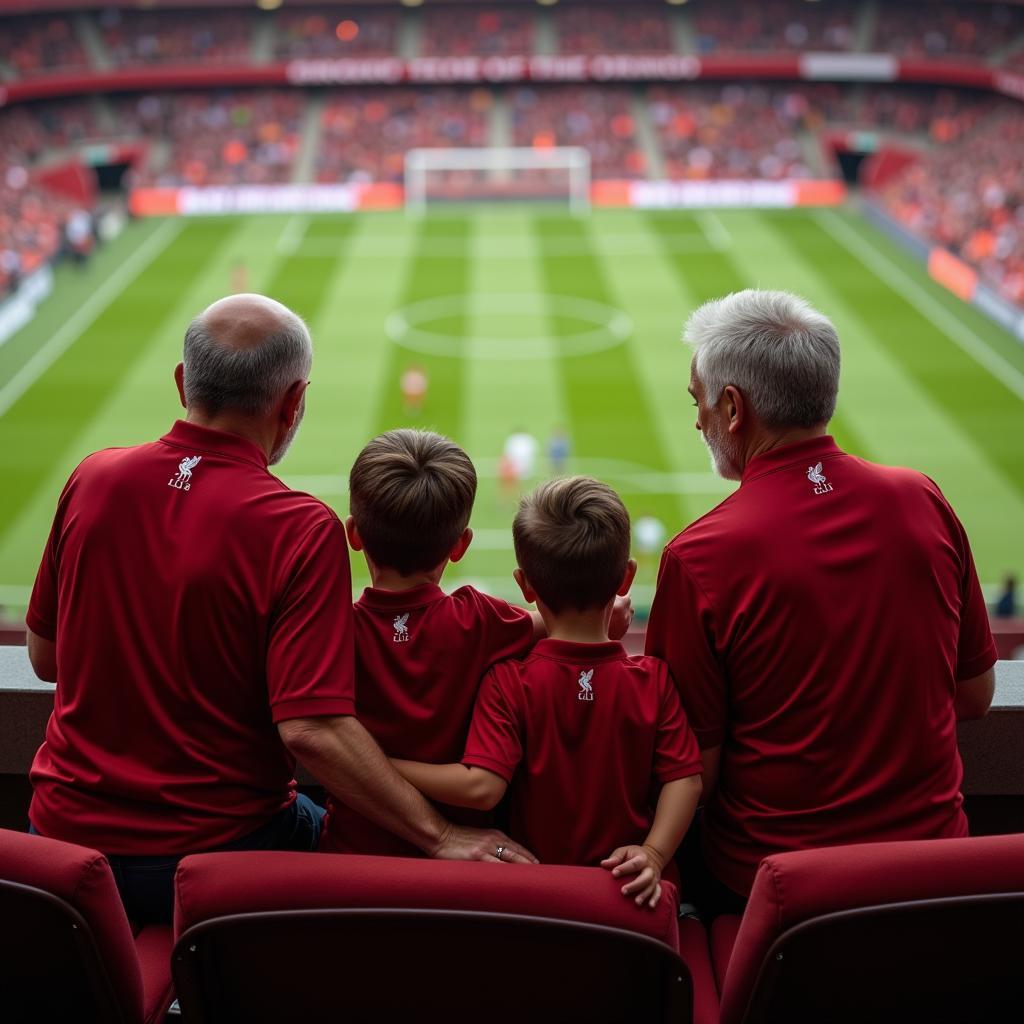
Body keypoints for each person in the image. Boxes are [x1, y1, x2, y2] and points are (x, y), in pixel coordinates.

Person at [24, 293, 534, 924]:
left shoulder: (91, 479)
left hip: (59, 849)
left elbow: (45, 658)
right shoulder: (298, 528)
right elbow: (311, 729)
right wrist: (441, 836)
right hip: (218, 857)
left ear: (183, 384)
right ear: (293, 403)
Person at [645, 289, 997, 915]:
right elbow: (974, 694)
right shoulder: (924, 501)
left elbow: (696, 766)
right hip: (939, 877)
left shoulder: (700, 557)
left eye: (698, 400)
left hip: (775, 894)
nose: (697, 419)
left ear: (733, 407)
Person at [394, 477, 701, 909]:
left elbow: (481, 785)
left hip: (537, 901)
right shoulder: (653, 679)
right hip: (629, 903)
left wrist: (382, 765)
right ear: (626, 577)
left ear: (525, 586)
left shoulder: (507, 682)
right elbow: (686, 779)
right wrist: (653, 853)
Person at [319, 428, 540, 856]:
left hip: (351, 854)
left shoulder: (332, 631)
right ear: (461, 546)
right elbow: (555, 621)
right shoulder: (481, 618)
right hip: (461, 867)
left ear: (353, 534)